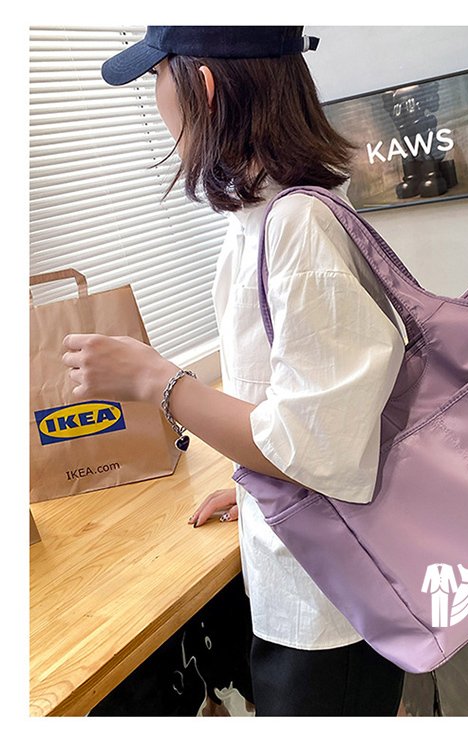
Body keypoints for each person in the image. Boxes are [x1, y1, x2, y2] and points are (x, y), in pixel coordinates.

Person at [64, 26, 408, 716]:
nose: (158, 101)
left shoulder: (296, 225)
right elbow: (301, 413)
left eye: (157, 77)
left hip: (329, 604)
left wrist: (157, 382)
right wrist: (255, 486)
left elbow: (314, 447)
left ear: (204, 86)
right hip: (312, 567)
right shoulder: (264, 218)